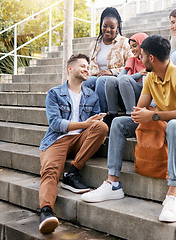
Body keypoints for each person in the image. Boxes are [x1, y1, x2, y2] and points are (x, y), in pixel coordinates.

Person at [81, 35, 176, 223]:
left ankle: (173, 194)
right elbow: (139, 112)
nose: (140, 59)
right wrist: (144, 114)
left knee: (174, 125)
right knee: (119, 123)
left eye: (143, 56)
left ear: (152, 58)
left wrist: (155, 115)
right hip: (167, 122)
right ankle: (113, 183)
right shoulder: (150, 78)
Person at [38, 54, 108, 234]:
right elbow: (55, 124)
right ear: (70, 69)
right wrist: (85, 124)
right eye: (83, 66)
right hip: (58, 139)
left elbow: (95, 122)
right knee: (50, 170)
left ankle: (72, 173)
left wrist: (93, 122)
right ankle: (46, 211)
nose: (87, 69)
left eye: (88, 67)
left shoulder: (91, 95)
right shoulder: (54, 93)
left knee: (101, 127)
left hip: (81, 139)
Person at [82, 7, 133, 115]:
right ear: (101, 25)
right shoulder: (94, 44)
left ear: (117, 27)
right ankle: (82, 117)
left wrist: (111, 72)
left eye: (112, 27)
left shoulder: (124, 43)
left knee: (101, 81)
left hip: (114, 79)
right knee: (84, 82)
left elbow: (130, 66)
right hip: (96, 76)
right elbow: (90, 66)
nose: (108, 29)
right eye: (105, 26)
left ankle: (102, 119)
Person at [105, 32, 148, 121]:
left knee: (125, 79)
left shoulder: (150, 60)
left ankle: (130, 115)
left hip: (143, 95)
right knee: (110, 80)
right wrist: (138, 74)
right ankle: (112, 115)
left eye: (135, 46)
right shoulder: (131, 60)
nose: (132, 50)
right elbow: (119, 79)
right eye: (131, 47)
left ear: (142, 44)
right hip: (127, 93)